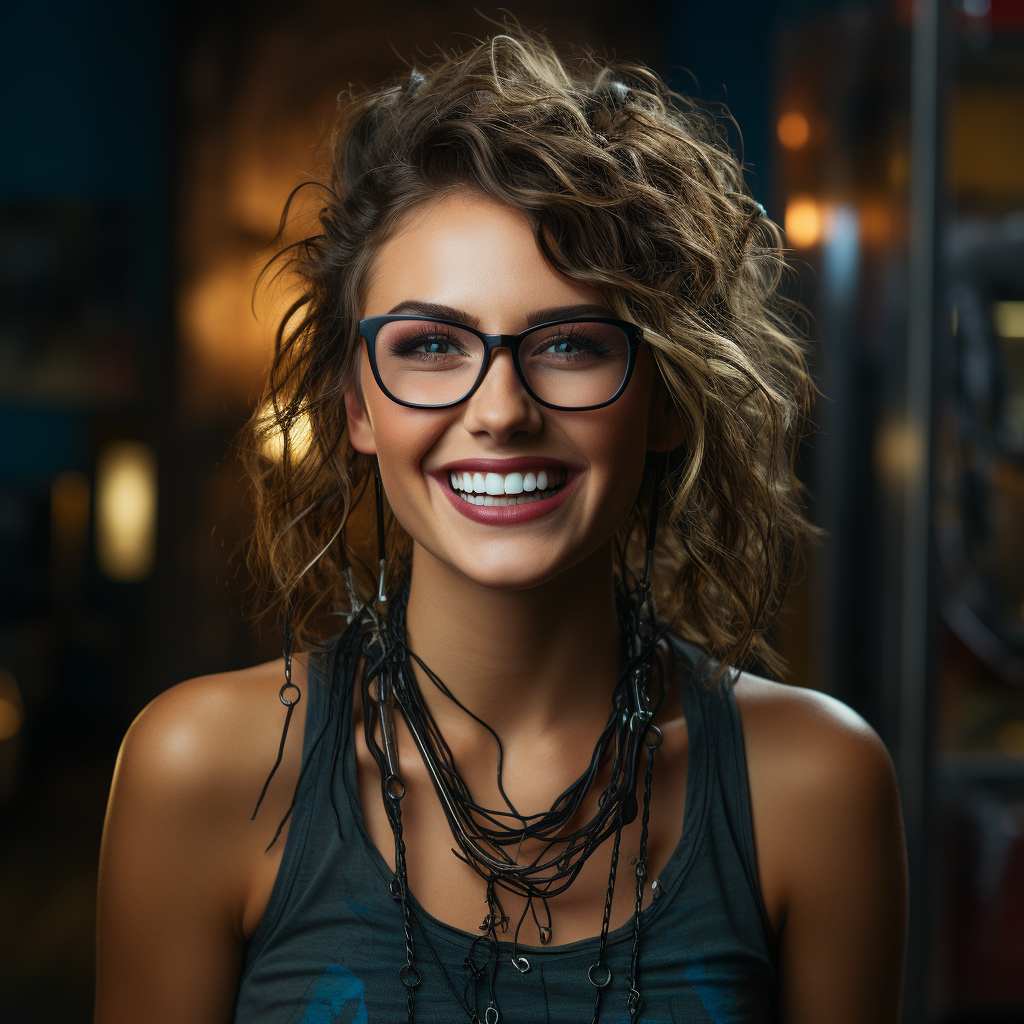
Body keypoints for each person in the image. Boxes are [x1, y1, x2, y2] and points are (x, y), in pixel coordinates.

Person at [95, 28, 908, 1024]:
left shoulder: (815, 785)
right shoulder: (199, 771)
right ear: (356, 405)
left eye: (568, 342)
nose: (500, 409)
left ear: (664, 401)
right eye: (432, 344)